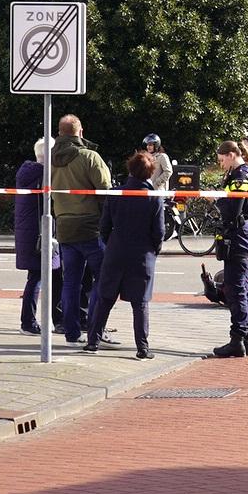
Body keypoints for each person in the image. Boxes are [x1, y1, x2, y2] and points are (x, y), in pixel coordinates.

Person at [83, 151, 164, 360]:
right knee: (140, 303)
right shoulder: (154, 199)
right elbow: (159, 232)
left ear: (129, 169)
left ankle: (93, 342)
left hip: (116, 253)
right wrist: (154, 250)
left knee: (105, 298)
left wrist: (112, 244)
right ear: (150, 172)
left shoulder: (115, 194)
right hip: (142, 256)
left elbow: (104, 227)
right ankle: (142, 348)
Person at [50, 115, 114, 345]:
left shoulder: (50, 159)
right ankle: (96, 328)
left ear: (60, 132)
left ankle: (71, 332)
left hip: (64, 227)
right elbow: (106, 191)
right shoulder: (90, 157)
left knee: (70, 282)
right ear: (81, 132)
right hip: (90, 227)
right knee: (103, 278)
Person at [211, 140, 248, 357]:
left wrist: (217, 201)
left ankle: (237, 339)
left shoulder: (240, 175)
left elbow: (233, 210)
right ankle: (245, 337)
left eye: (222, 160)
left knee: (235, 288)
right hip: (244, 232)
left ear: (232, 155)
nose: (221, 165)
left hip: (238, 234)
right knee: (243, 287)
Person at [13, 138, 61, 336]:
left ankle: (48, 319)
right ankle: (28, 322)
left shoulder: (27, 172)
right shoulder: (43, 175)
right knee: (38, 277)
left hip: (30, 231)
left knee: (44, 275)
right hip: (38, 233)